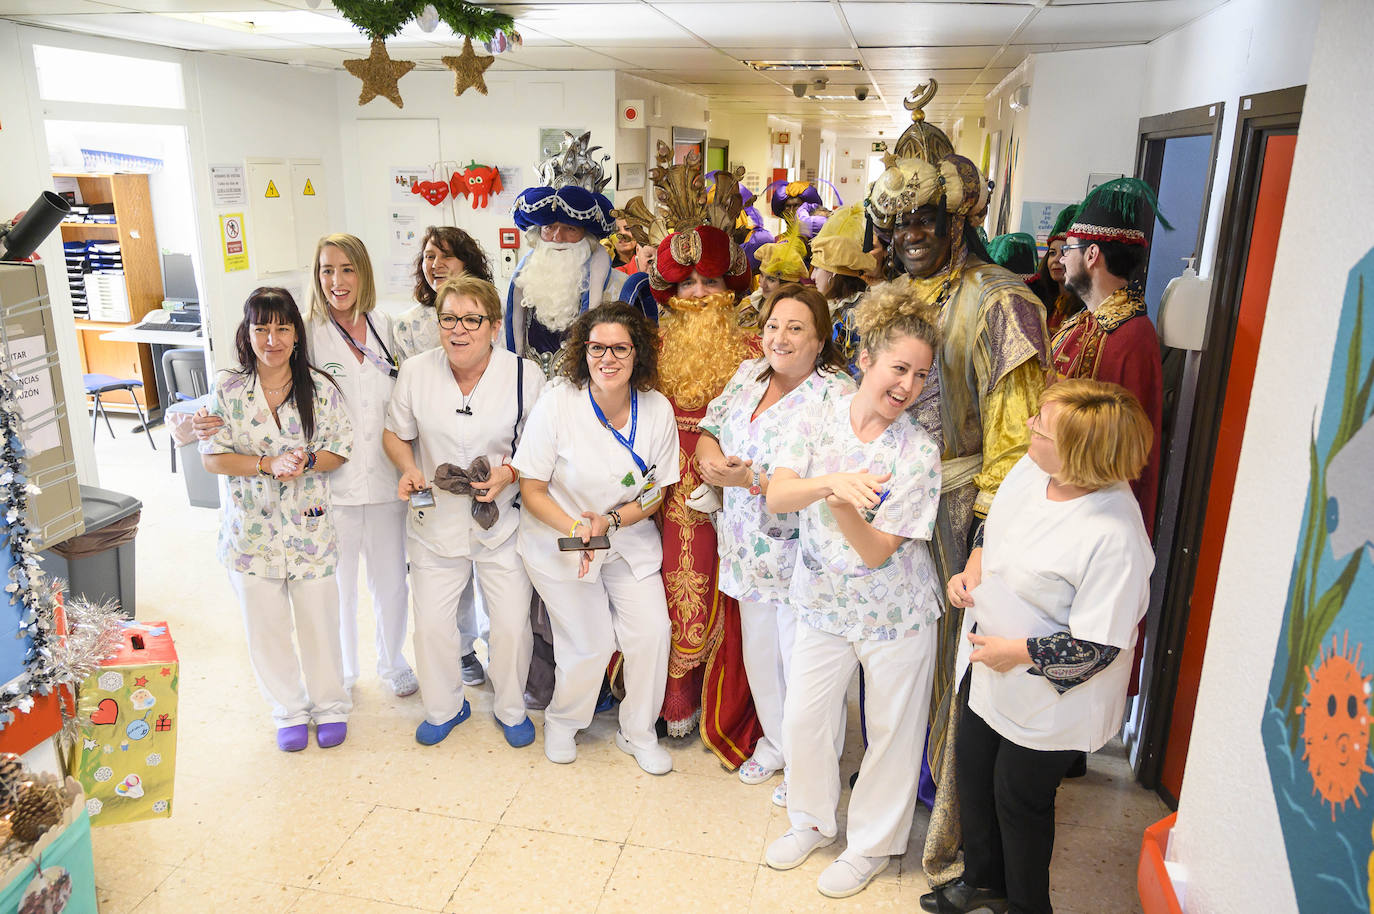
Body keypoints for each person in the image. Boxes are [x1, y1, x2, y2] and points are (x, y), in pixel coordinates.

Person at [866, 90, 1048, 885]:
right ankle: (891, 778)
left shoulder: (1001, 300)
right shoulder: (889, 296)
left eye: (924, 220)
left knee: (952, 665)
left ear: (956, 219)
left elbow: (1017, 435)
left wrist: (982, 532)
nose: (909, 236)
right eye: (897, 222)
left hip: (958, 512)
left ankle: (948, 811)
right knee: (892, 651)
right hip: (886, 503)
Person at [919, 380, 1153, 914]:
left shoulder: (1114, 536)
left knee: (1019, 799)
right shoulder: (1033, 470)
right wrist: (973, 567)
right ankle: (983, 880)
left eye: (1041, 427)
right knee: (975, 773)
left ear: (1080, 453)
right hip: (991, 657)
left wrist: (1016, 652)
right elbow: (993, 526)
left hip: (1051, 692)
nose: (1028, 426)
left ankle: (1027, 905)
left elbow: (1097, 647)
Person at [763, 289, 944, 899]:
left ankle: (870, 846)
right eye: (900, 368)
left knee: (890, 733)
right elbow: (778, 495)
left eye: (921, 375)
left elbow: (875, 552)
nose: (908, 385)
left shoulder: (918, 453)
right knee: (805, 717)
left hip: (897, 614)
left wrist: (840, 505)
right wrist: (831, 484)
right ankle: (811, 821)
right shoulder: (816, 415)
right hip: (820, 602)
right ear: (866, 359)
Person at [621, 145, 763, 765]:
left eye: (711, 282)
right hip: (653, 484)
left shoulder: (754, 346)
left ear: (729, 286)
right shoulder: (647, 346)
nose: (700, 294)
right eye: (688, 283)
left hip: (726, 487)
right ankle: (659, 697)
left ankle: (709, 700)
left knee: (715, 589)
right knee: (657, 587)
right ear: (669, 288)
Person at [696, 283, 854, 800]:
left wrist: (752, 480)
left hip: (806, 556)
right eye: (772, 326)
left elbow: (835, 476)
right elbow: (710, 429)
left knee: (804, 667)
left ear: (820, 338)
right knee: (761, 658)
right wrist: (711, 462)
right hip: (746, 548)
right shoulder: (749, 374)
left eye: (795, 328)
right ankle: (777, 743)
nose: (779, 338)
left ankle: (811, 765)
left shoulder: (836, 394)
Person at [512, 302, 678, 774]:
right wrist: (577, 528)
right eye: (597, 348)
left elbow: (656, 493)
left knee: (652, 632)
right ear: (583, 351)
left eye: (619, 348)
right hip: (560, 539)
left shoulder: (656, 409)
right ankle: (564, 722)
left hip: (624, 537)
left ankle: (638, 732)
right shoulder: (558, 403)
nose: (607, 358)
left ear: (637, 352)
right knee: (590, 641)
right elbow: (531, 489)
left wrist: (611, 522)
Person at [384, 275, 546, 747]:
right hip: (434, 520)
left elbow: (540, 447)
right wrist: (408, 467)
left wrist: (509, 473)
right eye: (448, 319)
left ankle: (511, 708)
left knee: (511, 624)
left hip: (501, 520)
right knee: (433, 625)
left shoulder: (525, 376)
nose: (458, 330)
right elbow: (395, 433)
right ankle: (445, 707)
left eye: (472, 320)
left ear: (494, 326)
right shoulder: (416, 372)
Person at [199, 288, 353, 751]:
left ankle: (330, 706)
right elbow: (212, 458)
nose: (272, 339)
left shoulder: (320, 389)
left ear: (296, 334)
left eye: (282, 328)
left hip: (309, 530)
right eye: (262, 328)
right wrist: (265, 465)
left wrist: (306, 461)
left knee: (319, 624)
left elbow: (340, 449)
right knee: (265, 629)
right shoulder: (228, 390)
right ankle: (288, 710)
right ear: (247, 334)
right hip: (251, 535)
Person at [303, 233, 418, 698]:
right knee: (338, 586)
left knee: (391, 583)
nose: (337, 280)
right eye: (327, 270)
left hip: (388, 479)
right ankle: (344, 672)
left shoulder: (386, 327)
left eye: (347, 269)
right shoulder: (308, 334)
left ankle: (393, 662)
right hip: (335, 484)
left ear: (363, 273)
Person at [391, 224, 495, 691]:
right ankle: (462, 648)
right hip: (430, 456)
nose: (435, 265)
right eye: (429, 256)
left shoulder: (486, 311)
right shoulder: (408, 325)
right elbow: (405, 401)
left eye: (445, 256)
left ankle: (494, 643)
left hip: (483, 455)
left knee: (490, 559)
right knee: (442, 565)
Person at [1050, 178, 1166, 536]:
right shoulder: (1082, 321)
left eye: (1068, 249)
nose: (1061, 259)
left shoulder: (1132, 336)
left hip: (1088, 520)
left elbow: (1124, 458)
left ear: (1091, 255)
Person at [506, 131, 653, 373]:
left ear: (588, 236)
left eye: (569, 228)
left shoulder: (619, 289)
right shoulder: (524, 285)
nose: (557, 237)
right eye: (549, 228)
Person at [810, 203, 877, 373]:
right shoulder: (833, 305)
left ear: (834, 273)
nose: (812, 276)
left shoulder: (859, 314)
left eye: (817, 269)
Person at [1027, 206, 1085, 337]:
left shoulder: (1087, 310)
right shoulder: (1041, 303)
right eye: (1052, 253)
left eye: (1065, 252)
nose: (1056, 259)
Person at [740, 234, 808, 330]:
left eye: (771, 279)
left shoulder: (799, 319)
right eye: (761, 275)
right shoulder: (749, 303)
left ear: (788, 285)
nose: (762, 284)